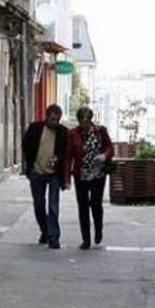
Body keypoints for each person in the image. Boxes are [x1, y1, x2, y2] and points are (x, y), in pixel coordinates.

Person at [65, 106, 114, 250]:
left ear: (91, 120)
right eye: (82, 121)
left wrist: (104, 156)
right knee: (83, 206)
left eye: (87, 121)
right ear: (79, 121)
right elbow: (68, 156)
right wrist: (67, 178)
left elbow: (110, 148)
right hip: (81, 174)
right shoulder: (73, 134)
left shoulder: (101, 131)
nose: (85, 125)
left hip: (98, 173)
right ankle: (85, 239)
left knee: (96, 204)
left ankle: (98, 229)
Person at [23, 105, 68, 249]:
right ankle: (45, 230)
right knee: (39, 205)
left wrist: (58, 158)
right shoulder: (35, 128)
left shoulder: (63, 132)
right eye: (53, 119)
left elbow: (66, 152)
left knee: (53, 206)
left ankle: (54, 238)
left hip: (54, 174)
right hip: (37, 172)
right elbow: (26, 146)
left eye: (57, 120)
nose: (55, 122)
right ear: (47, 116)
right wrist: (29, 164)